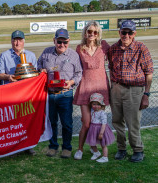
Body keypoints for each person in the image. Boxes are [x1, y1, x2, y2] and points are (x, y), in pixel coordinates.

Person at [108, 20, 153, 162]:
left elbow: (149, 72)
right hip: (116, 88)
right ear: (119, 32)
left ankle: (137, 149)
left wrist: (146, 94)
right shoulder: (113, 48)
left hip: (134, 90)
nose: (126, 35)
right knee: (117, 121)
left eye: (129, 32)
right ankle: (121, 148)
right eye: (123, 32)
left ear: (134, 34)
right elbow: (110, 68)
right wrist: (112, 86)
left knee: (132, 122)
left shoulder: (141, 48)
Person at [38, 28, 82, 158]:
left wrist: (72, 82)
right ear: (54, 40)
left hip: (65, 93)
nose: (62, 45)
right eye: (59, 42)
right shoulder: (46, 53)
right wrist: (41, 70)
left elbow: (79, 73)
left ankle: (67, 147)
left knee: (66, 123)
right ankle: (53, 146)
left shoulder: (73, 55)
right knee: (52, 122)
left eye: (65, 42)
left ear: (68, 41)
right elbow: (38, 65)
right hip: (50, 94)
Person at [73, 21, 110, 160]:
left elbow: (115, 59)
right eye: (89, 31)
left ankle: (98, 150)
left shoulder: (104, 46)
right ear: (85, 32)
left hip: (101, 89)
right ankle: (80, 149)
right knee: (87, 123)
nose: (92, 34)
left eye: (95, 32)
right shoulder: (79, 48)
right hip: (85, 88)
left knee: (98, 123)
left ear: (98, 33)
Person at [0, 30, 37, 155]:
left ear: (24, 41)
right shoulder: (5, 55)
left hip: (26, 94)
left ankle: (27, 145)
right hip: (11, 94)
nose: (17, 42)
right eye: (15, 40)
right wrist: (8, 77)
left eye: (20, 40)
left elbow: (35, 75)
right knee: (11, 122)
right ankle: (11, 146)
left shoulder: (30, 55)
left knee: (26, 120)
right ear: (11, 41)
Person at [85, 93, 115, 163]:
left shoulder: (102, 113)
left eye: (98, 104)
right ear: (91, 105)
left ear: (101, 105)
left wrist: (101, 133)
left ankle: (105, 157)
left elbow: (104, 123)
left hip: (101, 129)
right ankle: (96, 152)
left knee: (103, 144)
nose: (96, 106)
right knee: (92, 143)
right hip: (93, 128)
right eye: (94, 104)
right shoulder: (92, 111)